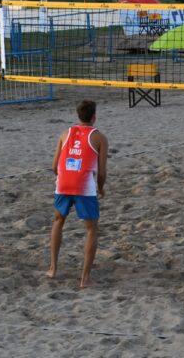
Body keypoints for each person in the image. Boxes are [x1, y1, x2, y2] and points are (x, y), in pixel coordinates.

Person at [47, 100, 108, 288]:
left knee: (58, 221)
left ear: (78, 115)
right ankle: (85, 278)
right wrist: (101, 188)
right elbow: (102, 172)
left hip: (63, 184)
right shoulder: (99, 138)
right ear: (94, 117)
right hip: (83, 187)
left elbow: (54, 166)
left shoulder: (65, 133)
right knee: (91, 229)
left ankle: (53, 268)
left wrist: (64, 177)